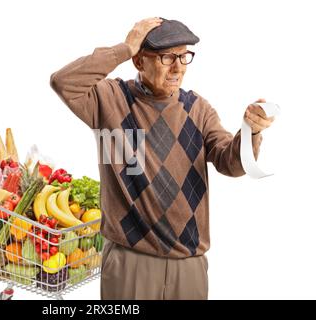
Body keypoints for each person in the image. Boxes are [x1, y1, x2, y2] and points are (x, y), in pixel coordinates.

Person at [50, 17, 275, 300]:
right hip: (130, 263)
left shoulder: (198, 109)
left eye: (184, 56)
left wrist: (250, 132)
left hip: (189, 265)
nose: (178, 66)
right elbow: (63, 82)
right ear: (139, 61)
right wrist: (124, 47)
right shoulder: (110, 99)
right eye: (167, 56)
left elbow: (231, 163)